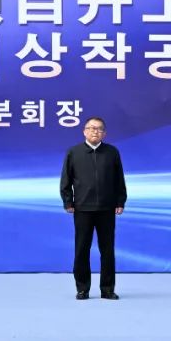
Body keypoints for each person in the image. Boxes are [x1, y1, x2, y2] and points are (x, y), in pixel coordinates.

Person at [60, 116, 127, 300]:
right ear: (84, 131)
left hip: (107, 208)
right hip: (82, 208)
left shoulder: (112, 152)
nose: (95, 131)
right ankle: (82, 288)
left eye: (99, 129)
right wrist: (68, 201)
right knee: (82, 249)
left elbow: (119, 179)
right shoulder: (74, 152)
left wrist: (120, 201)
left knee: (107, 250)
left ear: (104, 133)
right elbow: (66, 179)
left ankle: (107, 289)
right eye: (91, 128)